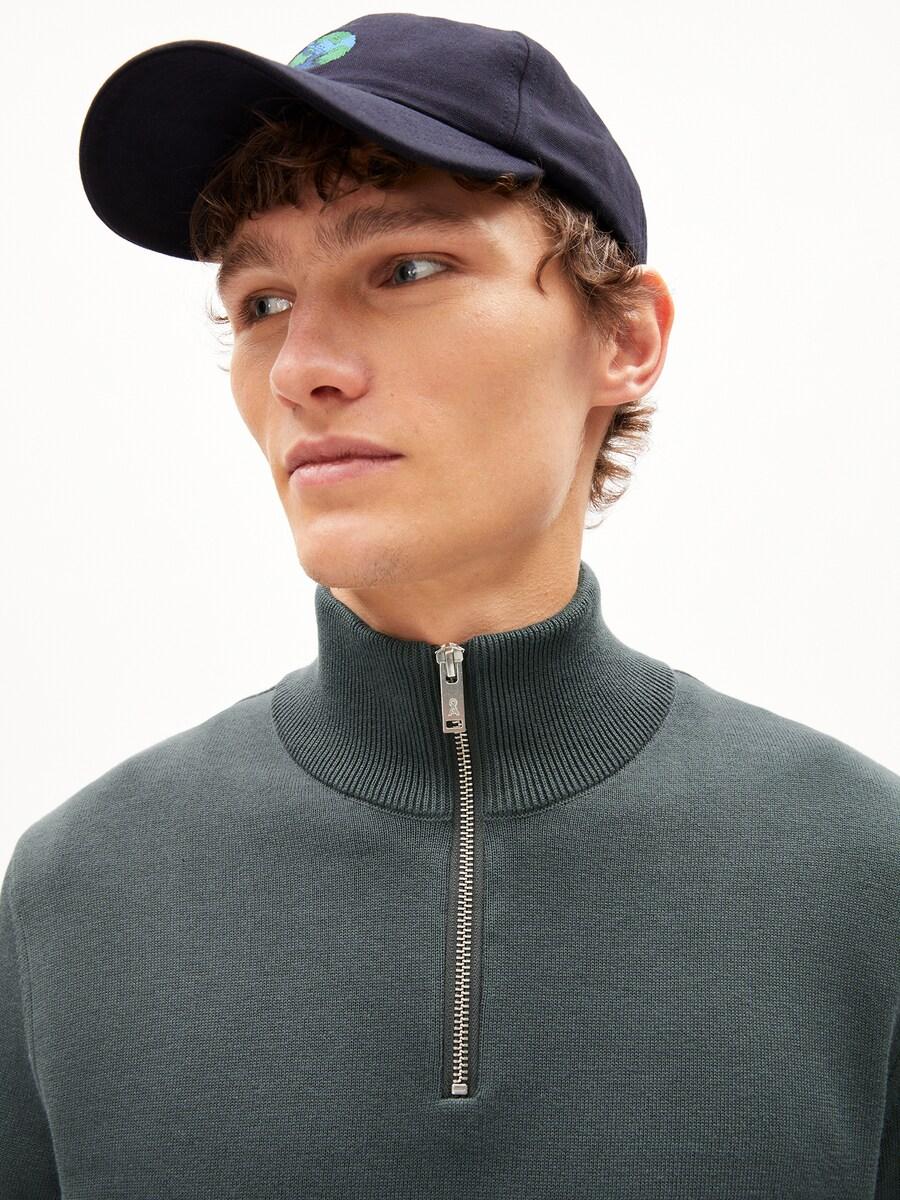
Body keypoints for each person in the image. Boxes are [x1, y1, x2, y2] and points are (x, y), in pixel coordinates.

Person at [1, 13, 897, 1198]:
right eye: (260, 301)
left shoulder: (867, 871)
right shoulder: (74, 893)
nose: (300, 367)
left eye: (407, 269)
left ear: (625, 337)